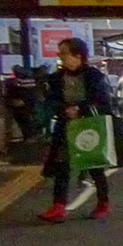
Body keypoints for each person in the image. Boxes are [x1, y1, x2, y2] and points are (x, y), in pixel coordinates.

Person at [38, 37, 115, 222]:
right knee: (61, 165)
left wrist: (81, 108)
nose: (60, 57)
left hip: (90, 126)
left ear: (78, 56)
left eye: (64, 53)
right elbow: (50, 101)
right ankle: (58, 206)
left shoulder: (94, 76)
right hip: (66, 125)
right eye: (60, 53)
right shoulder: (56, 78)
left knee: (95, 164)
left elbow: (103, 100)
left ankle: (103, 203)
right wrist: (63, 109)